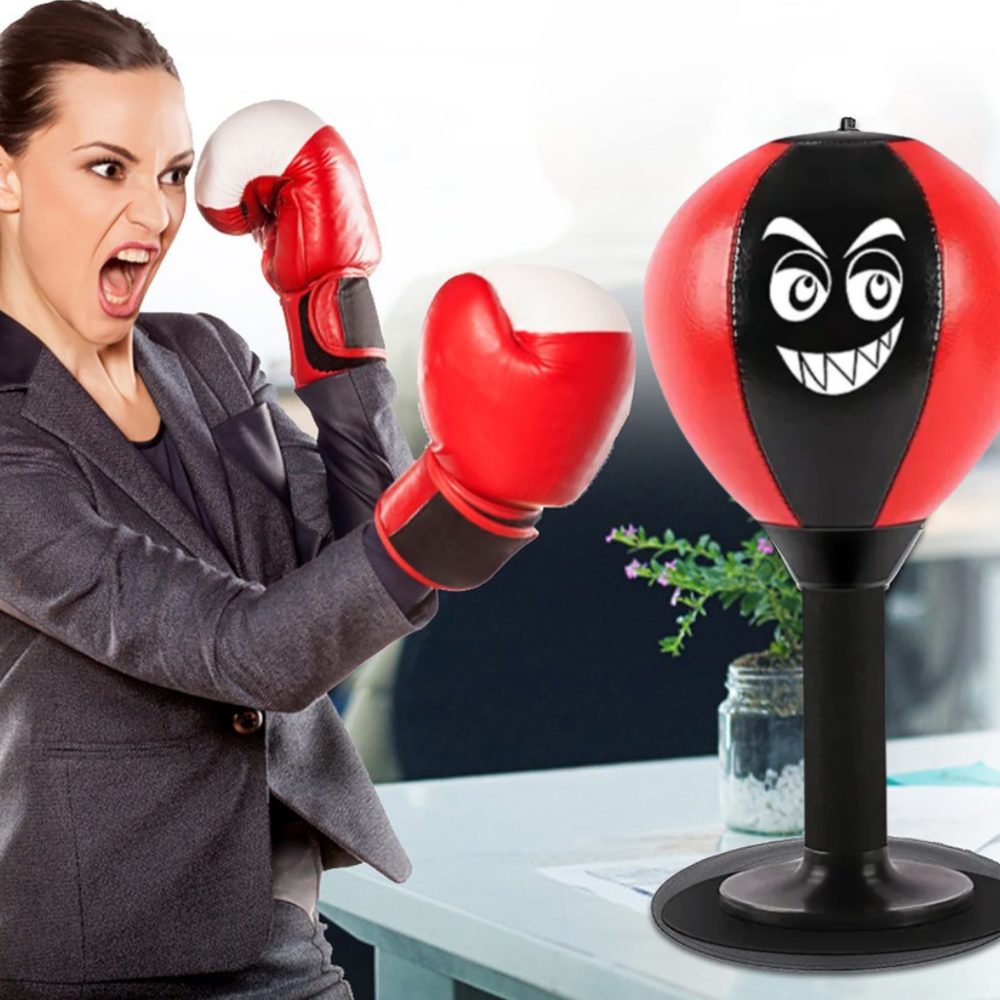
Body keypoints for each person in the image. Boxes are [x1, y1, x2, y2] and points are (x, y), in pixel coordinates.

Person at [0, 2, 634, 996]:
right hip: (99, 958)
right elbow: (241, 650)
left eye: (172, 173)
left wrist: (331, 306)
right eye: (106, 168)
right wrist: (466, 503)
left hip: (281, 926)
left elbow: (353, 559)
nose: (156, 214)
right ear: (6, 176)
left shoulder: (204, 356)